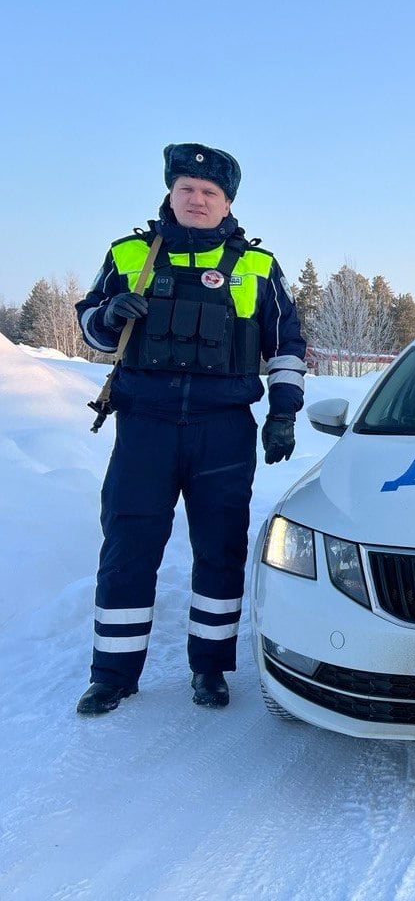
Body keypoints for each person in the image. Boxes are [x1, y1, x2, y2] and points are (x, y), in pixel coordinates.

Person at [74, 143, 307, 715]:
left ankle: (210, 668)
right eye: (187, 190)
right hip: (145, 427)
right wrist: (108, 315)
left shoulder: (257, 266)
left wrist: (282, 413)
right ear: (171, 194)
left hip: (222, 430)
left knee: (219, 551)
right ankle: (113, 674)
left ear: (226, 202)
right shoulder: (129, 254)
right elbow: (91, 328)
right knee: (128, 548)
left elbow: (287, 347)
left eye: (210, 193)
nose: (197, 200)